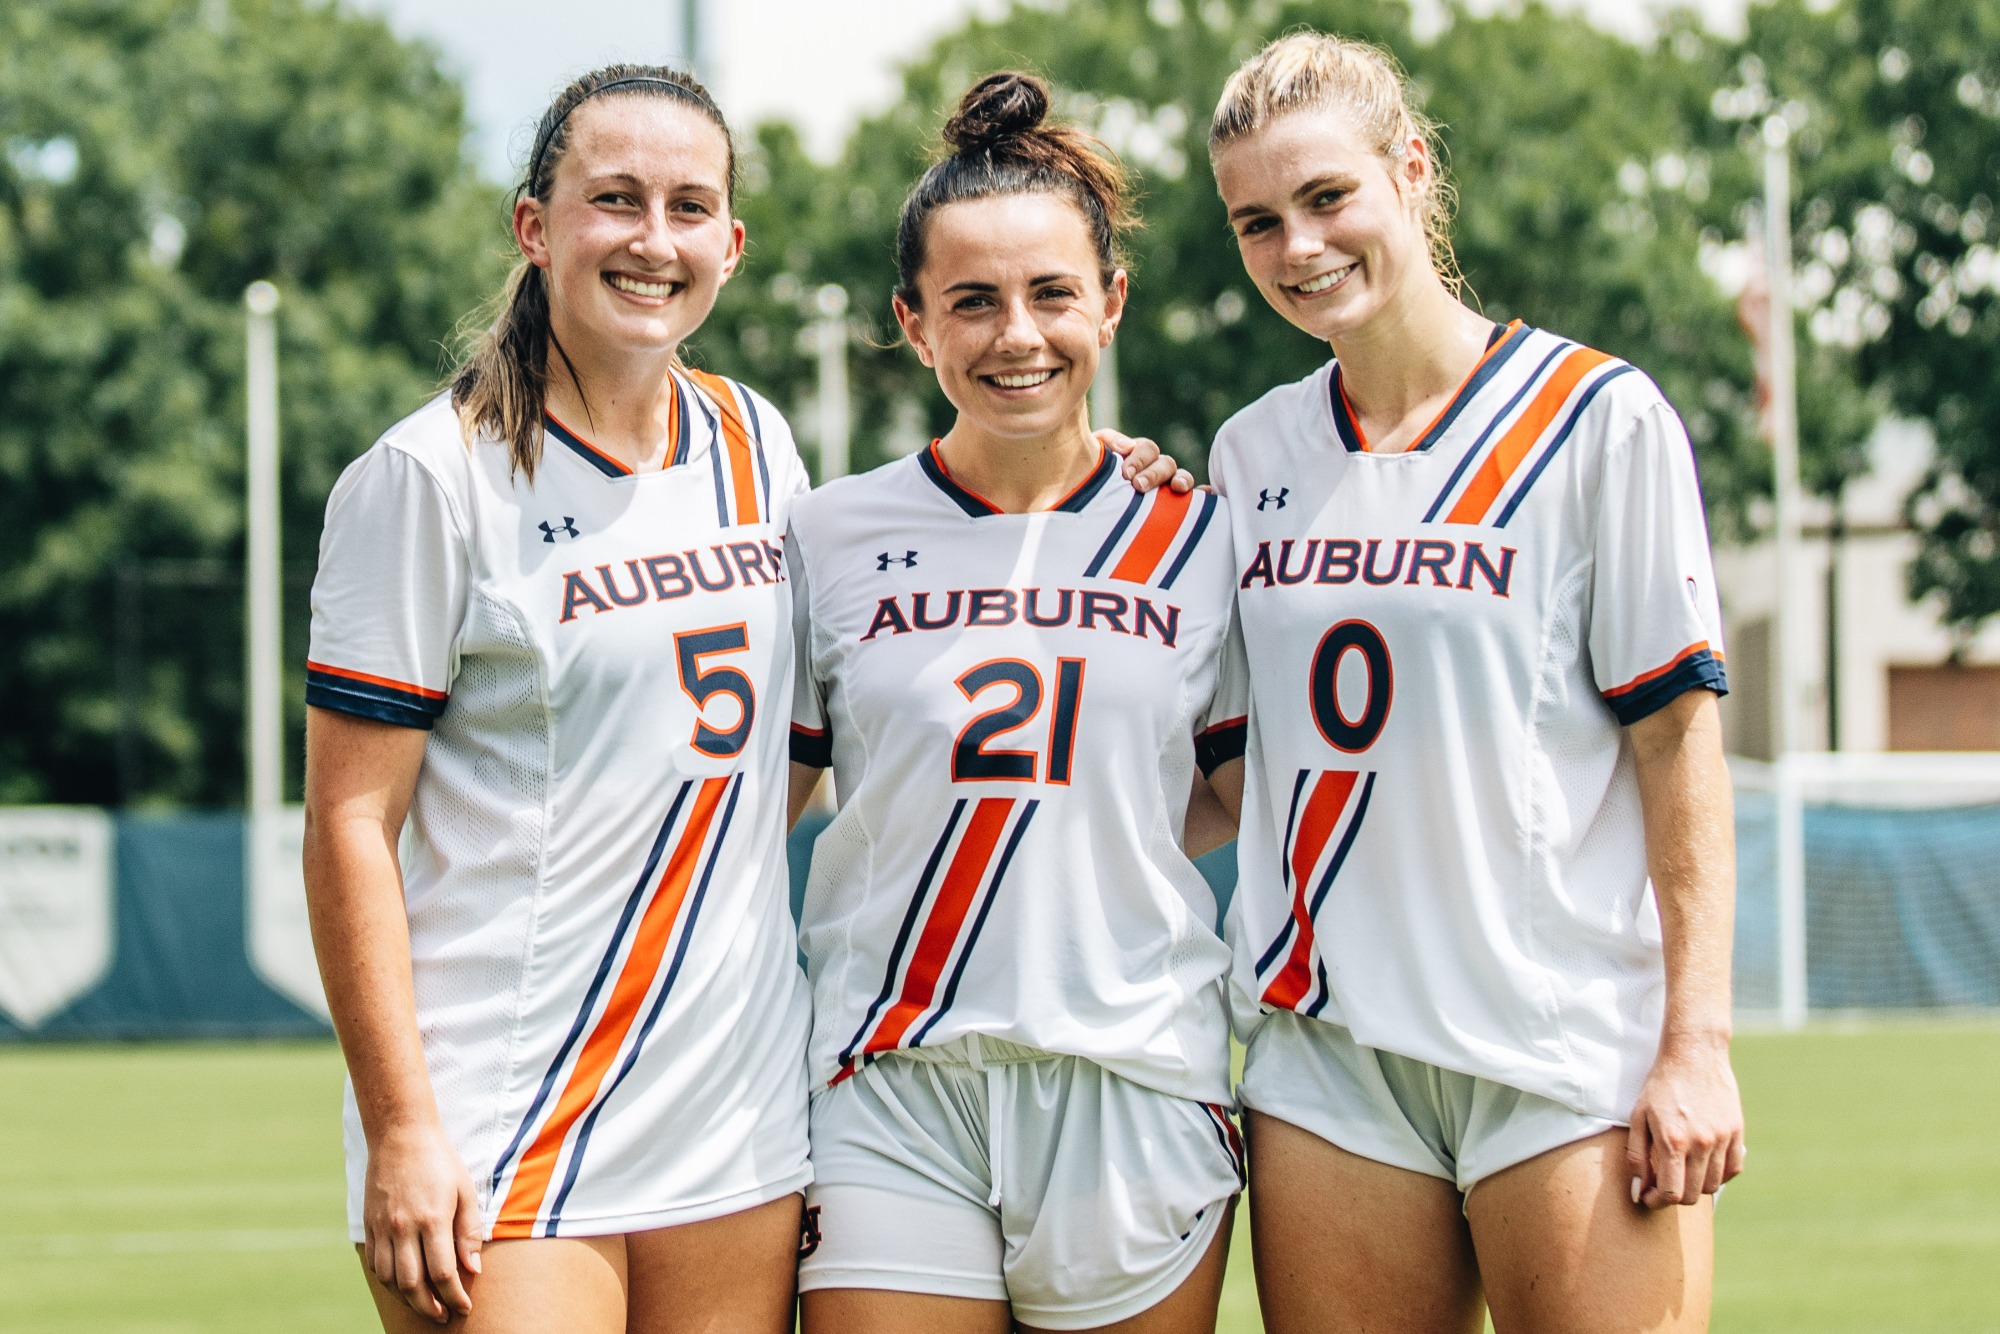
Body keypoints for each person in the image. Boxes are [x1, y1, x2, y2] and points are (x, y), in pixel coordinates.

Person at [301, 62, 1194, 1333]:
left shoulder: (753, 443)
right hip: (504, 1104)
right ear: (533, 225)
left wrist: (1109, 470)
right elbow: (346, 826)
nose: (651, 241)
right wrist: (399, 1124)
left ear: (728, 242)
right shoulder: (428, 478)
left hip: (735, 1108)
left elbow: (887, 675)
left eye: (686, 207)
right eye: (614, 200)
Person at [1200, 32, 1747, 1333]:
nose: (1299, 247)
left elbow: (1679, 750)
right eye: (1257, 221)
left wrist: (1698, 1042)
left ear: (1412, 167)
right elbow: (1228, 771)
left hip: (1564, 1043)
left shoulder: (1595, 419)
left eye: (1328, 198)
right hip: (1328, 1057)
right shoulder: (1247, 451)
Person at [784, 72, 1247, 1334]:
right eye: (971, 302)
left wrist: (1078, 837)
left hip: (1131, 1074)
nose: (1016, 334)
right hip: (893, 1079)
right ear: (911, 323)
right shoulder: (825, 533)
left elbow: (1216, 798)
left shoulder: (1199, 535)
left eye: (1050, 294)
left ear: (1110, 303)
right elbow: (754, 801)